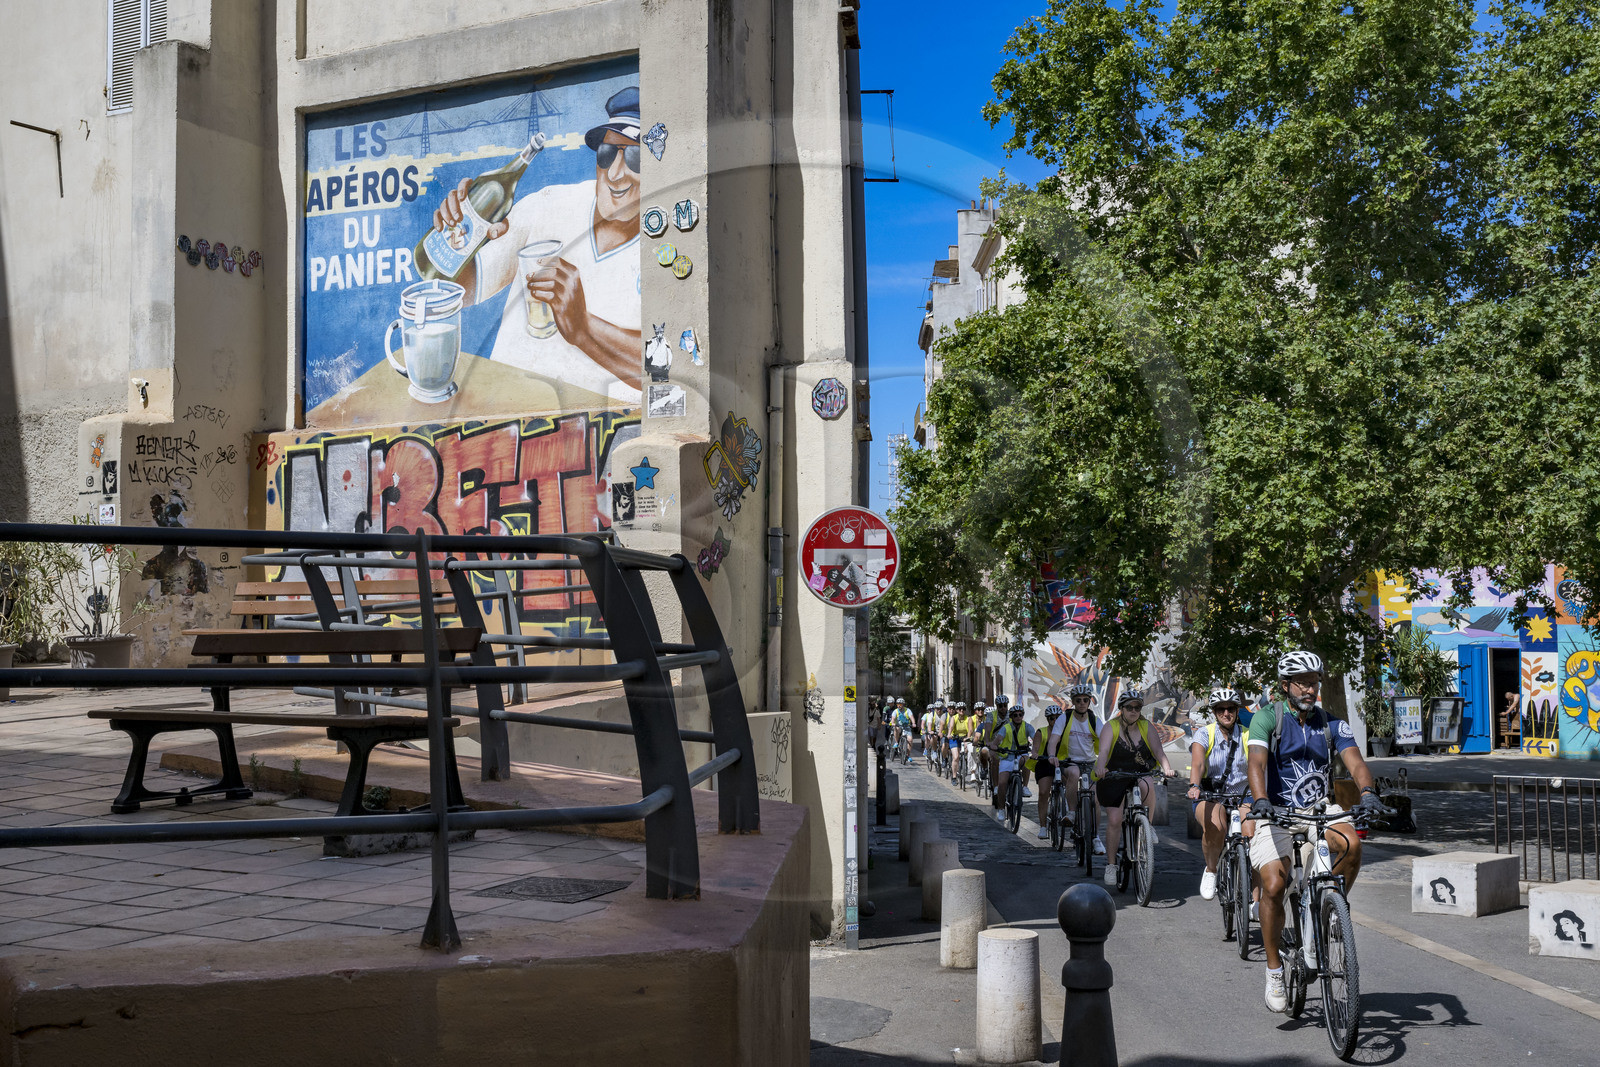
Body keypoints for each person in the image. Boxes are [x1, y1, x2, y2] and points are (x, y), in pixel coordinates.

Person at [434, 85, 643, 407]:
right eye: (606, 153)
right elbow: (453, 292)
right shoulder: (548, 206)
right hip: (503, 430)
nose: (615, 174)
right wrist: (456, 239)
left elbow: (670, 368)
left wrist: (583, 327)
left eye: (635, 156)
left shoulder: (675, 246)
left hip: (603, 442)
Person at [1248, 649, 1385, 1014]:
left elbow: (1355, 761)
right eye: (1304, 682)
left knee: (1351, 844)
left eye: (1315, 682)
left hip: (1317, 810)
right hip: (1274, 810)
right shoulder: (1266, 719)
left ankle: (1327, 911)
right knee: (1275, 885)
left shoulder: (1331, 723)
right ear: (1286, 685)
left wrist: (1368, 792)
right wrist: (1260, 800)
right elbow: (1257, 763)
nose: (1311, 689)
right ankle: (1274, 969)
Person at [1092, 687, 1175, 885]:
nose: (1134, 711)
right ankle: (1111, 865)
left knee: (1147, 783)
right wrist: (1101, 767)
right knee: (1114, 819)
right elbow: (1103, 751)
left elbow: (1158, 751)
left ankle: (1148, 827)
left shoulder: (1147, 726)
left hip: (1140, 771)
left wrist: (1167, 768)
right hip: (1114, 773)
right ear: (1121, 709)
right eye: (1129, 707)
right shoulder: (1110, 727)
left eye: (1137, 708)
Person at [1186, 687, 1251, 900]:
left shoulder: (1247, 735)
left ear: (1237, 710)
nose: (1226, 713)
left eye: (1231, 708)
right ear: (1214, 712)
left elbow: (1259, 767)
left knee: (1253, 834)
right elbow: (1197, 763)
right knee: (1217, 826)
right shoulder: (1205, 734)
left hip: (1241, 796)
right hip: (1210, 795)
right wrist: (1194, 786)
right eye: (1221, 709)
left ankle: (1256, 898)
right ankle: (1211, 870)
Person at [1046, 682, 1105, 854]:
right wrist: (1051, 755)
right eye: (1078, 700)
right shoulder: (1065, 718)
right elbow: (1053, 741)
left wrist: (1105, 761)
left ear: (1089, 702)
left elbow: (1106, 742)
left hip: (1090, 762)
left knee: (1095, 800)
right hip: (1069, 761)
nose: (1081, 703)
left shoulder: (1094, 720)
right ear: (1073, 701)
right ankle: (1071, 813)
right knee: (1073, 772)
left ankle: (1095, 837)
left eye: (1085, 700)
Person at [989, 702, 1037, 823]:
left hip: (1021, 755)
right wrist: (995, 746)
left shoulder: (1027, 727)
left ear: (1023, 715)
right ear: (1011, 716)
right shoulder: (1006, 728)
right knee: (1002, 783)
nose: (1018, 717)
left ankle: (1025, 787)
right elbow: (997, 740)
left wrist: (1037, 748)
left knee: (1027, 759)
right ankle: (1001, 809)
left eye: (1020, 714)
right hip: (1007, 757)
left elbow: (1036, 738)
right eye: (1015, 715)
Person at [1031, 704, 1065, 837]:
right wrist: (1034, 754)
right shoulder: (1041, 732)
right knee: (1044, 793)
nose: (1055, 721)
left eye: (1058, 718)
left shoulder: (1066, 732)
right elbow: (1035, 747)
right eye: (1052, 718)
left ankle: (1067, 805)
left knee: (1071, 781)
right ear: (1047, 719)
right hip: (1045, 763)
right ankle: (1043, 827)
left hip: (1061, 763)